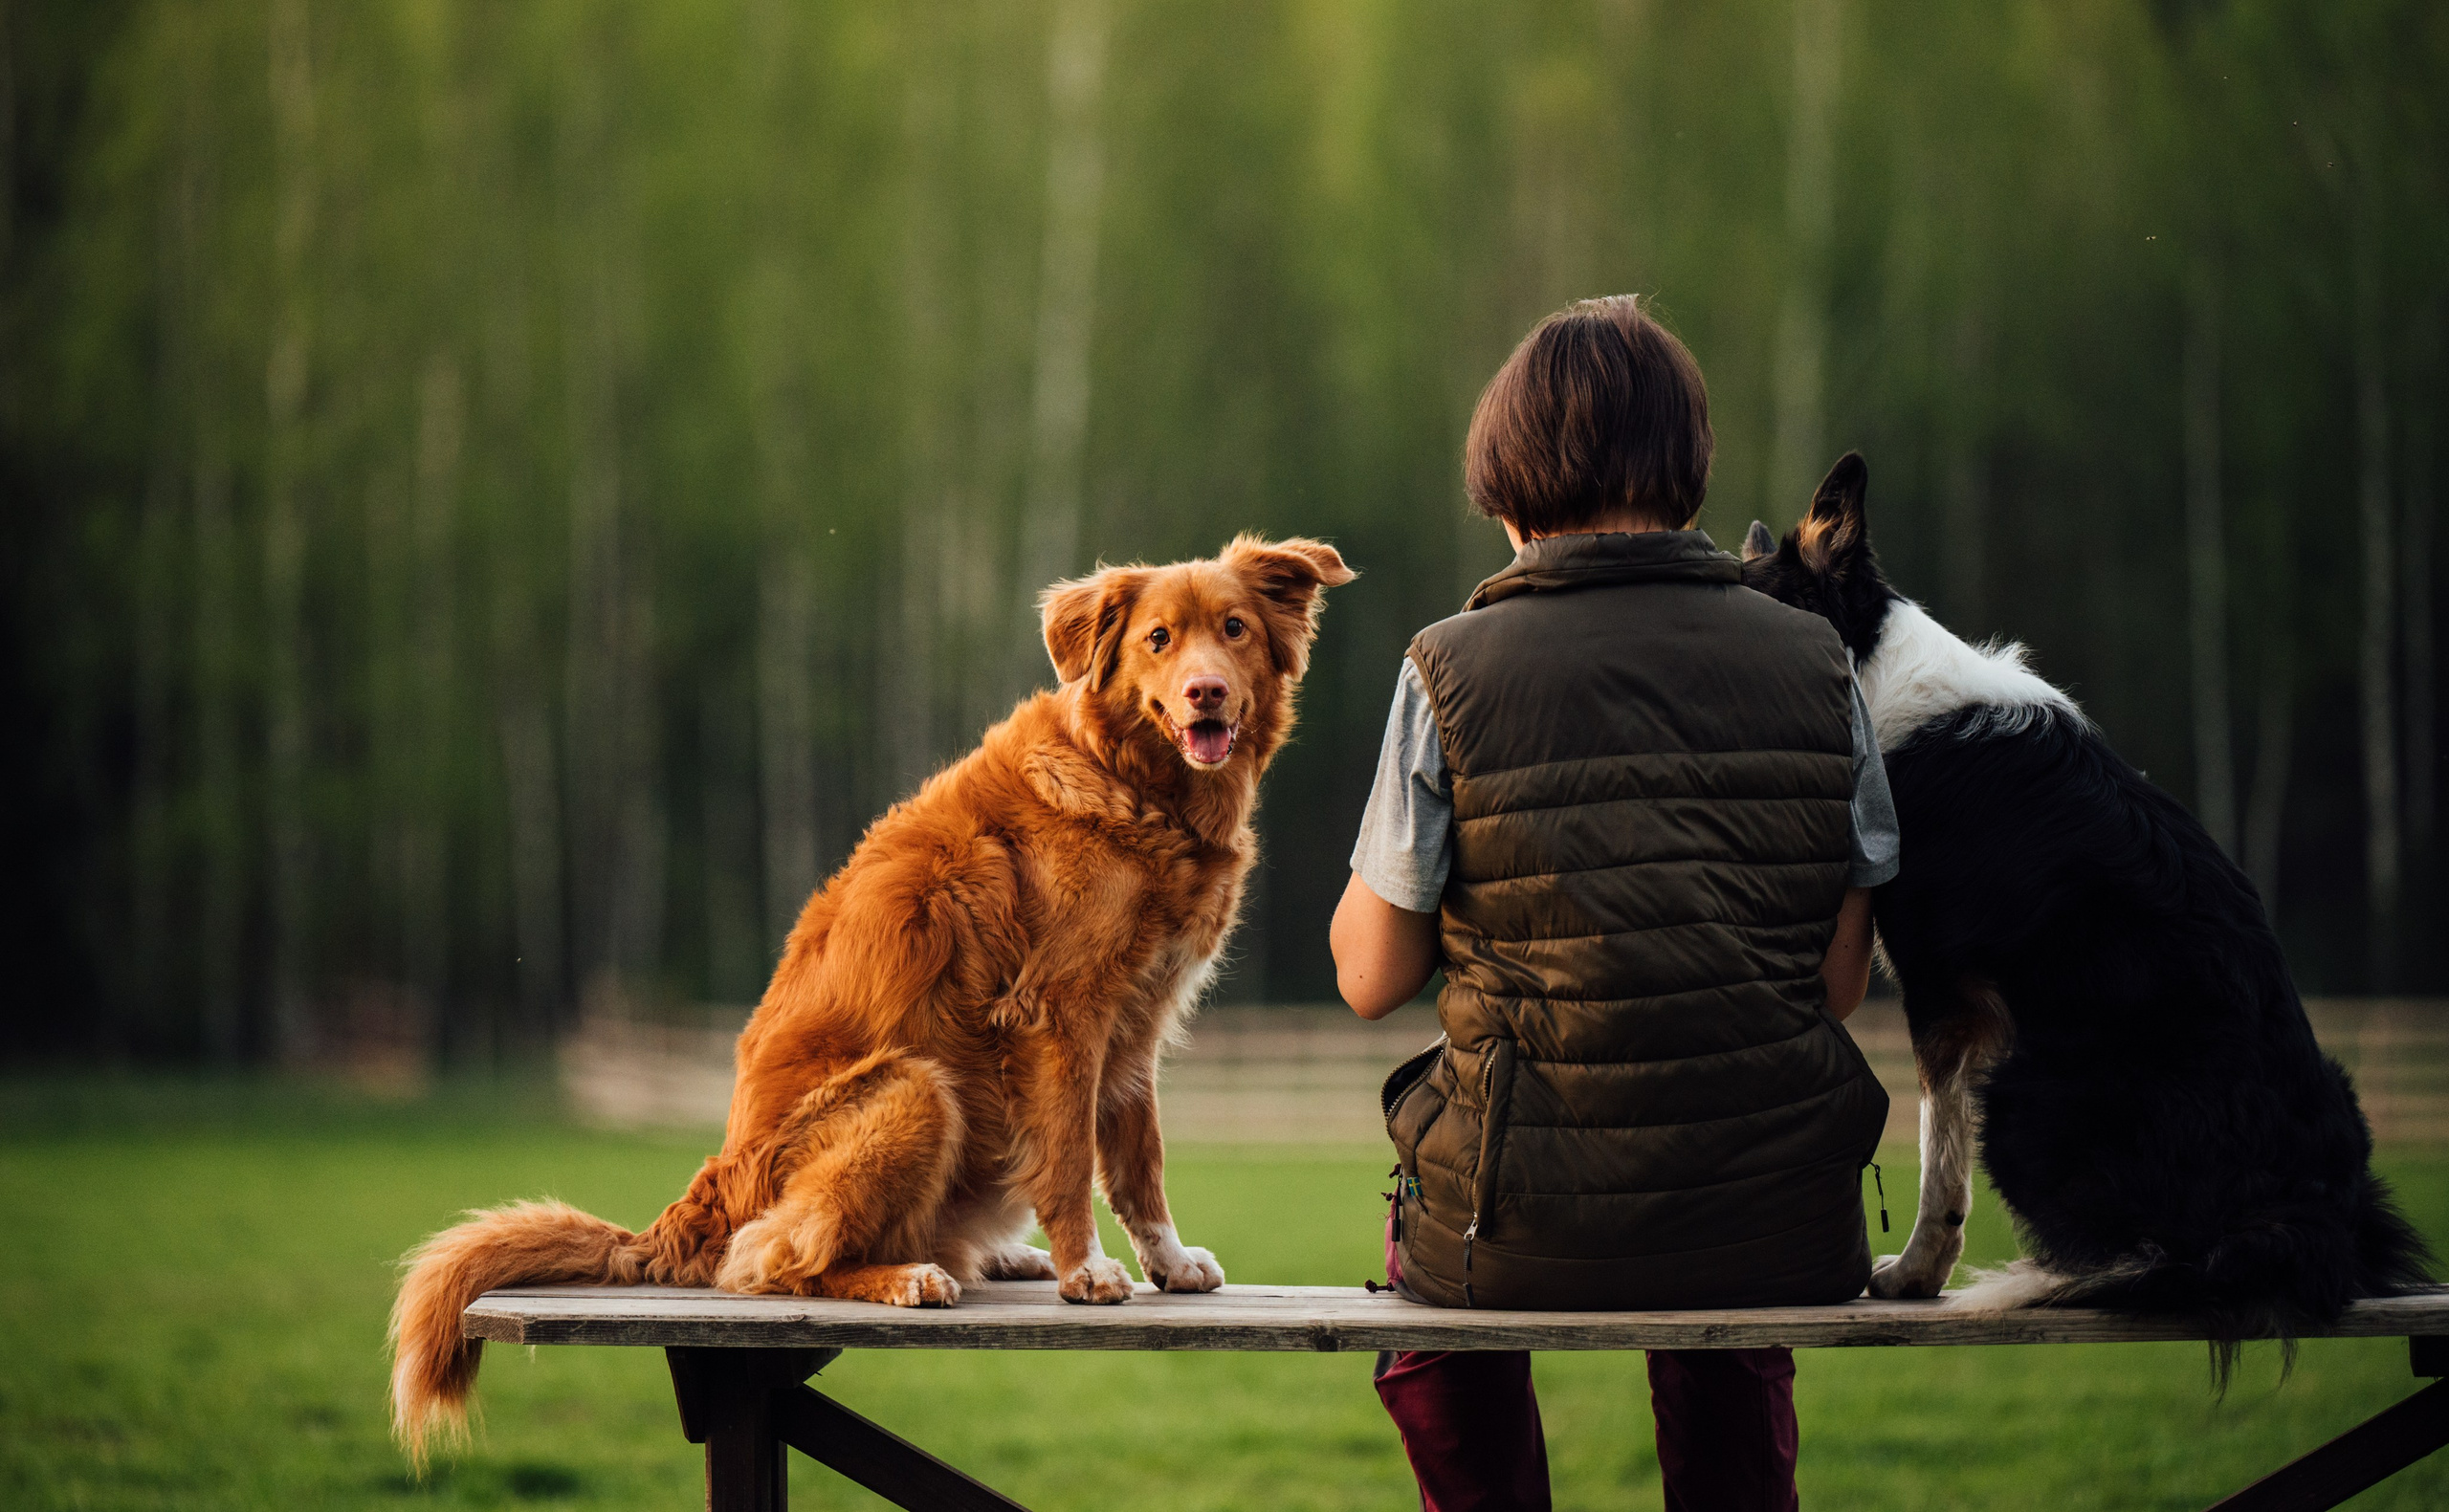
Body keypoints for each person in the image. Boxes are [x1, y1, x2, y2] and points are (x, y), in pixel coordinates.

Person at [1330, 295, 1898, 1512]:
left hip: (1514, 1225)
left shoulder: (1446, 665)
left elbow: (1371, 980)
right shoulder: (1818, 663)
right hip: (1778, 1224)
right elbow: (1838, 985)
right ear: (1687, 477)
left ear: (1509, 484)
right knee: (1725, 1309)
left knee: (1433, 1323)